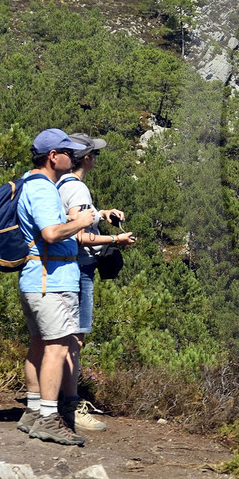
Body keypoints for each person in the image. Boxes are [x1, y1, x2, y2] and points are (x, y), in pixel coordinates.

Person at [15, 128, 96, 447]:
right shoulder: (44, 189)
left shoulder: (28, 182)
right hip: (53, 280)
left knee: (39, 343)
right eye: (67, 152)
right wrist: (82, 222)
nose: (72, 158)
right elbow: (50, 233)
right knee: (58, 346)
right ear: (53, 156)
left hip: (36, 278)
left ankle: (34, 411)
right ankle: (49, 418)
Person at [56, 133, 136, 431]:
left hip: (61, 265)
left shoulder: (60, 183)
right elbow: (79, 235)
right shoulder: (78, 189)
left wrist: (101, 214)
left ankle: (49, 400)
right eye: (95, 154)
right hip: (80, 268)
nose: (96, 159)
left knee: (56, 337)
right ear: (86, 159)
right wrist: (116, 239)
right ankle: (70, 406)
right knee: (74, 338)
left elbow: (72, 218)